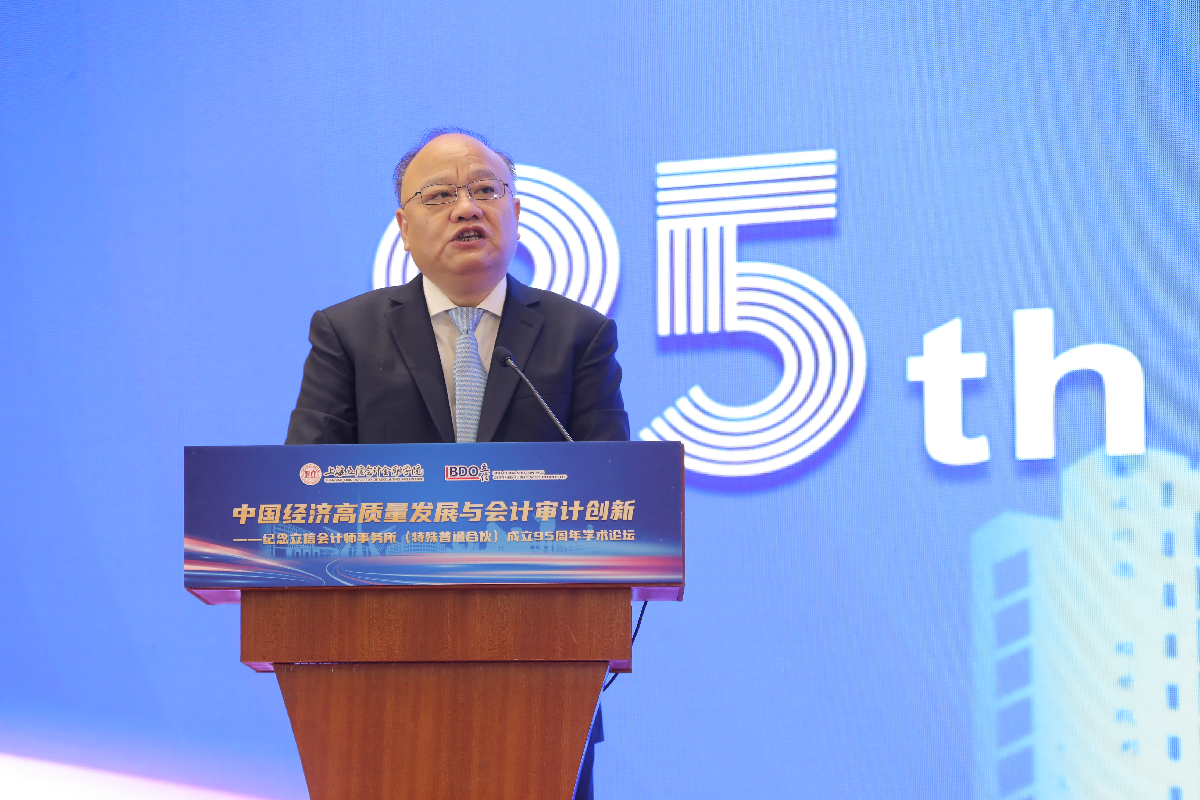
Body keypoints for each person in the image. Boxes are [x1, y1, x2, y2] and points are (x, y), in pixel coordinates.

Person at [285, 127, 622, 799]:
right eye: (439, 196)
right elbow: (304, 489)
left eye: (485, 190)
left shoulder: (579, 335)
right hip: (376, 669)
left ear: (516, 212)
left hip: (545, 674)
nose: (467, 208)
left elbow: (616, 497)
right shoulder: (346, 334)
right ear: (403, 228)